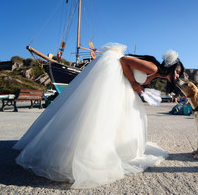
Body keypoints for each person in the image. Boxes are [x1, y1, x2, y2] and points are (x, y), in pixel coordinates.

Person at [13, 43, 184, 189]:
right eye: (176, 72)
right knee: (99, 115)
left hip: (123, 84)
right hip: (115, 80)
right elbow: (123, 60)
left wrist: (137, 86)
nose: (177, 76)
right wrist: (133, 82)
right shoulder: (153, 67)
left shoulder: (155, 74)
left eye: (178, 74)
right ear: (169, 67)